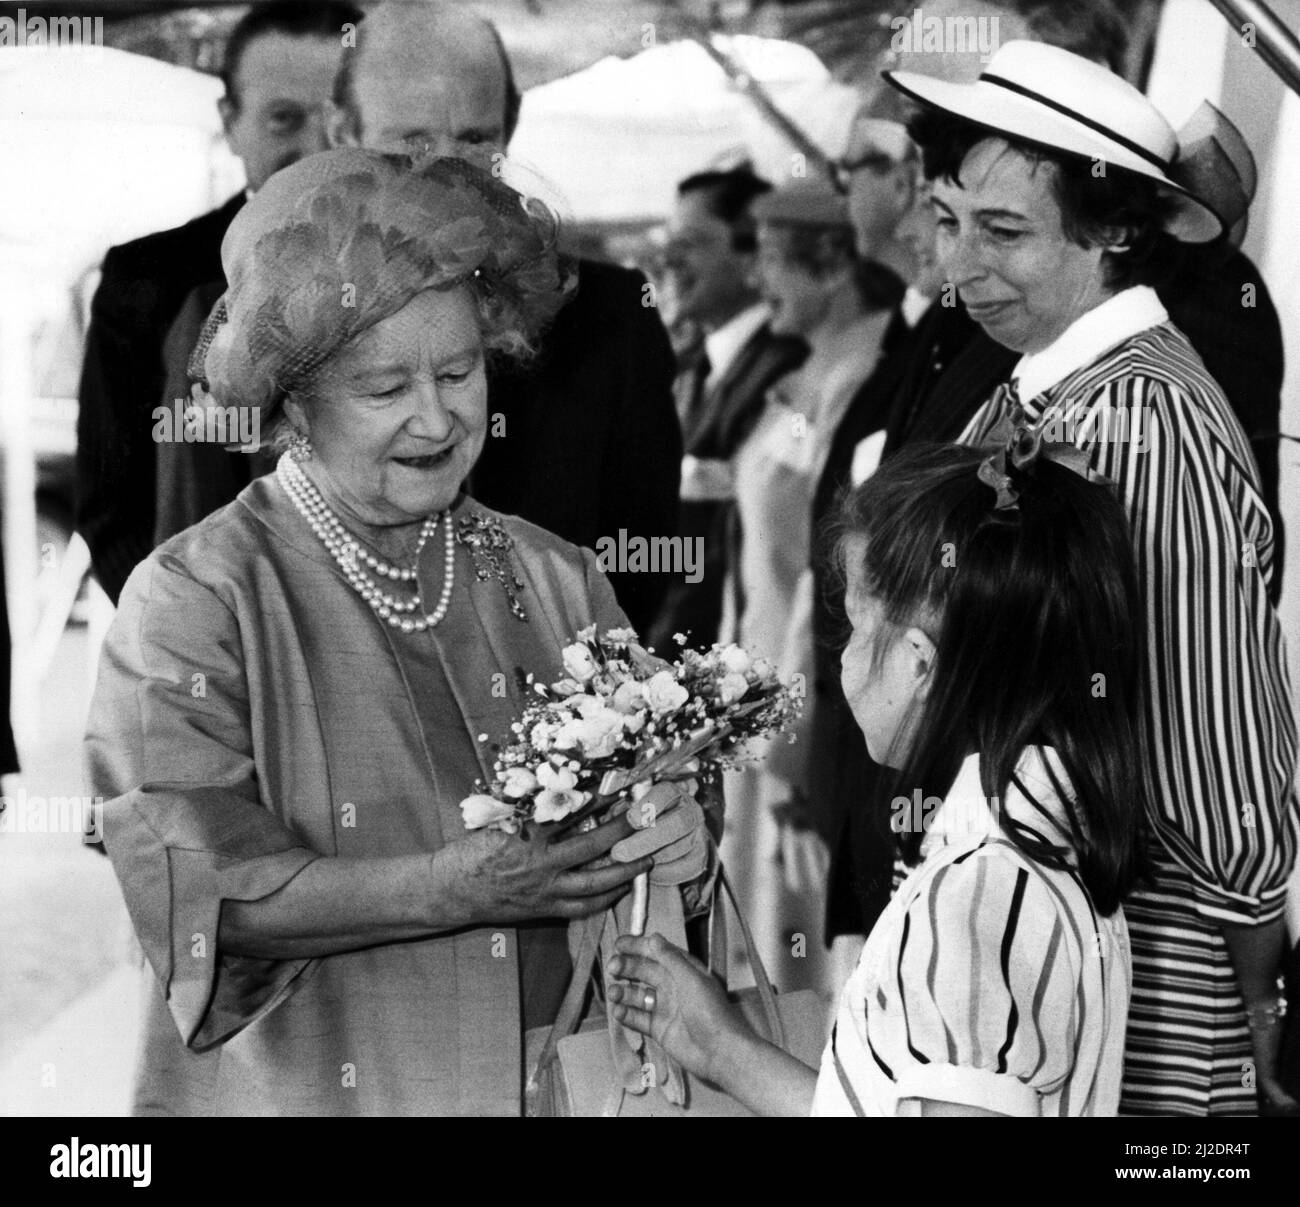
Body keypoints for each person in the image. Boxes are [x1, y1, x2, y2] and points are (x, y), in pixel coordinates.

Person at [87, 149, 669, 1116]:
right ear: (292, 403)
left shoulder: (555, 574)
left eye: (459, 370)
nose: (437, 418)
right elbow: (194, 888)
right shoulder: (193, 599)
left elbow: (650, 808)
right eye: (385, 389)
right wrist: (452, 887)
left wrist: (677, 830)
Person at [888, 39, 1299, 1115]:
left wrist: (1268, 1002)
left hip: (1147, 955)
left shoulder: (1135, 418)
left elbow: (1218, 745)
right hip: (1047, 939)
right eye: (948, 221)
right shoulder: (1046, 394)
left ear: (1114, 231)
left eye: (1004, 232)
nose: (956, 270)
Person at [609, 439, 1148, 1116]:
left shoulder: (976, 895)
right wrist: (718, 1045)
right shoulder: (1038, 838)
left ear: (920, 665)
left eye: (856, 625)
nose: (843, 656)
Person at [328, 1, 681, 634]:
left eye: (473, 137)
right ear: (341, 135)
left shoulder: (610, 318)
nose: (446, 167)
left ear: (509, 132)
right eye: (410, 141)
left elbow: (641, 557)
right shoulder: (265, 321)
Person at [76, 1, 361, 604]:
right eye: (284, 119)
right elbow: (111, 508)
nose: (315, 146)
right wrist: (197, 651)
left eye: (336, 119)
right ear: (230, 122)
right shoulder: (148, 280)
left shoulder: (424, 268)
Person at [719, 180, 901, 998]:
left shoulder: (856, 374)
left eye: (771, 263)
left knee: (798, 960)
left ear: (830, 268)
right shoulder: (816, 369)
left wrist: (794, 752)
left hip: (799, 715)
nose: (758, 283)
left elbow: (823, 579)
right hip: (763, 709)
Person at [647, 165, 807, 654]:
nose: (668, 258)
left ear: (751, 253)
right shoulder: (690, 372)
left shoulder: (787, 366)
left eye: (690, 241)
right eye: (668, 240)